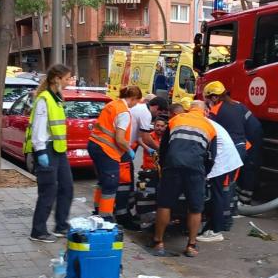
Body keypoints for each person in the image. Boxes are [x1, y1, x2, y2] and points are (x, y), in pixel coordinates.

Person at [151, 100, 217, 257]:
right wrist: (204, 173)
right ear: (205, 111)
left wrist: (164, 167)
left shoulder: (176, 120)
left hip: (173, 165)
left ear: (189, 109)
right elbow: (211, 157)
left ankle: (158, 243)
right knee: (195, 208)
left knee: (165, 204)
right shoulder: (210, 127)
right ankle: (191, 246)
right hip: (195, 168)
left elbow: (163, 148)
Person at [25, 64, 74, 243]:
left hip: (58, 149)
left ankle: (61, 226)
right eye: (67, 78)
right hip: (46, 149)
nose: (69, 82)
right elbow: (38, 129)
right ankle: (38, 231)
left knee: (67, 187)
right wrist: (40, 152)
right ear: (56, 79)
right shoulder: (44, 100)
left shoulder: (57, 98)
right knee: (48, 191)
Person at [88, 85, 142, 222]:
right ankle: (105, 217)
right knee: (111, 184)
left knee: (102, 181)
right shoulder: (124, 112)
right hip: (107, 150)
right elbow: (120, 139)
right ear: (133, 98)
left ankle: (97, 211)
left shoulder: (112, 105)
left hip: (94, 145)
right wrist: (128, 149)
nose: (136, 105)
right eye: (137, 101)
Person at [197, 115, 243, 243]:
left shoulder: (199, 123)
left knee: (217, 195)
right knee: (217, 194)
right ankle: (211, 227)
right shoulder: (204, 121)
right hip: (224, 159)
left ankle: (215, 231)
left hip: (223, 162)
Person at [204, 81, 248, 165]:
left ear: (214, 98)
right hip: (242, 147)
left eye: (207, 99)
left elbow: (210, 133)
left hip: (230, 151)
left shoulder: (214, 111)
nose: (206, 102)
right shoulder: (238, 105)